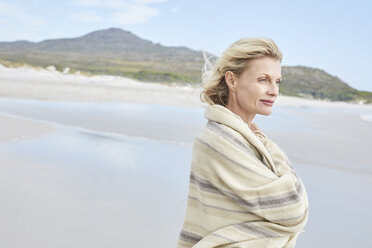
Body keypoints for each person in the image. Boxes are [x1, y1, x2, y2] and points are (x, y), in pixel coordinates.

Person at [177, 38, 309, 248]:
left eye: (277, 81)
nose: (274, 91)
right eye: (263, 80)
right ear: (232, 80)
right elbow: (292, 209)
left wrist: (263, 141)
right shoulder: (219, 140)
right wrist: (268, 145)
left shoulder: (247, 138)